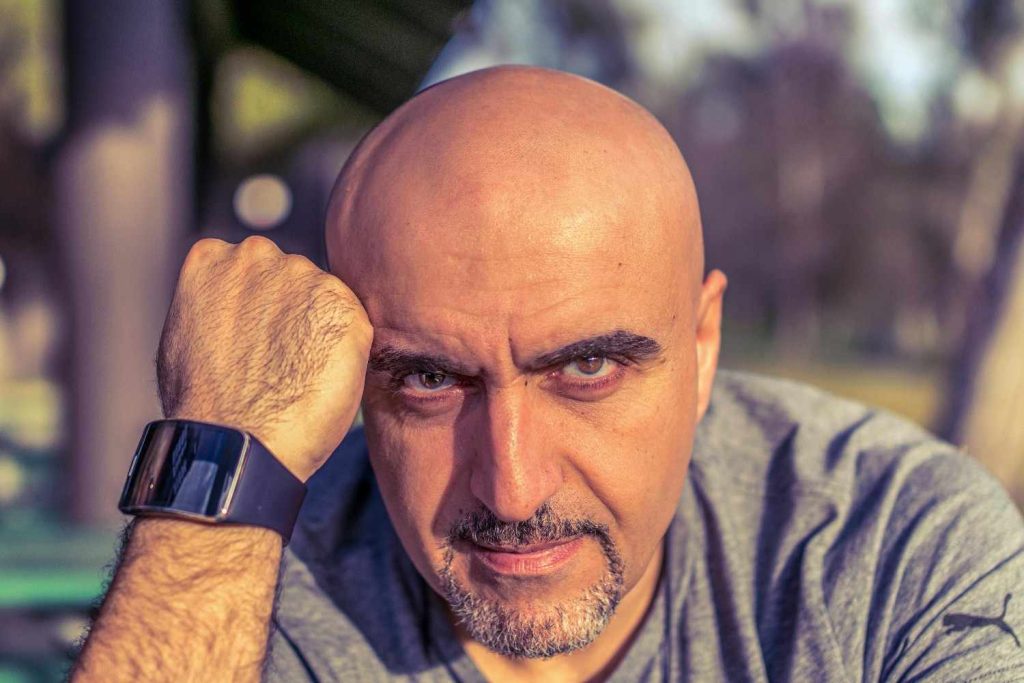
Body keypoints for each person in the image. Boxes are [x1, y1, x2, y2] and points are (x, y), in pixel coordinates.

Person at [72, 66, 1024, 682]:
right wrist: (220, 458)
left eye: (588, 367)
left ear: (702, 349)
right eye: (430, 381)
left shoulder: (893, 549)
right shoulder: (252, 584)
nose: (513, 488)